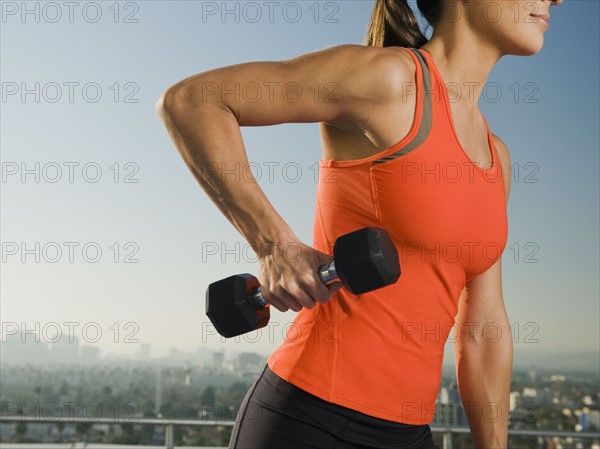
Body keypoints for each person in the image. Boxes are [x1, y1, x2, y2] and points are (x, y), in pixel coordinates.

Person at [156, 0, 563, 447]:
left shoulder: (496, 158)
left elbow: (484, 325)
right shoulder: (389, 79)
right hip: (309, 420)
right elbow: (193, 101)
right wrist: (275, 245)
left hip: (409, 432)